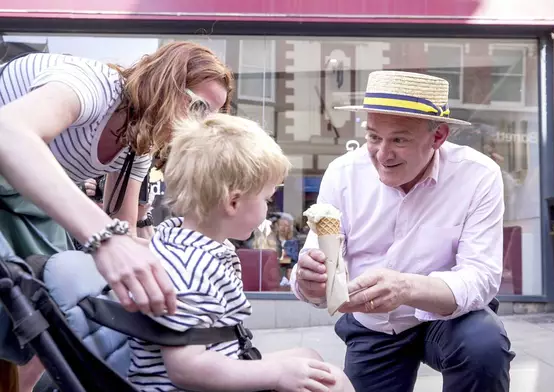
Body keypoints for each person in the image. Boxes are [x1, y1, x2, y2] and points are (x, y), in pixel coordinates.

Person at [0, 41, 233, 391]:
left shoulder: (137, 143)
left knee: (44, 321)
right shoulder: (91, 85)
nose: (199, 126)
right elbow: (7, 132)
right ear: (167, 82)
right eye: (198, 106)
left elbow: (126, 232)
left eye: (209, 117)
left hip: (28, 204)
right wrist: (104, 237)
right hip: (19, 189)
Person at [290, 70, 515, 392]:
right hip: (372, 326)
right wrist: (309, 281)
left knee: (484, 343)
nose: (382, 154)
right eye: (373, 137)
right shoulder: (343, 174)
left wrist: (407, 287)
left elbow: (482, 277)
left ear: (438, 137)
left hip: (447, 317)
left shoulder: (477, 175)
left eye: (399, 139)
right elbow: (319, 263)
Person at [129, 113, 354, 392]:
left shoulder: (186, 243)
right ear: (233, 202)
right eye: (265, 199)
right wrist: (275, 374)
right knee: (332, 382)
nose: (267, 208)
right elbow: (186, 368)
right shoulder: (189, 270)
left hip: (224, 362)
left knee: (312, 362)